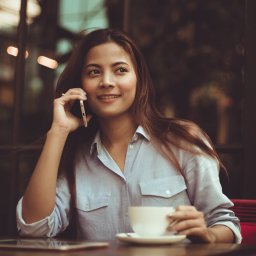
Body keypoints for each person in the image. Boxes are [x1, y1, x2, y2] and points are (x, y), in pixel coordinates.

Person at [16, 28, 241, 243]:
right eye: (94, 72)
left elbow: (225, 223)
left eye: (120, 70)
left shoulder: (182, 141)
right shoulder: (77, 158)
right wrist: (58, 132)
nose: (106, 82)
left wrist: (209, 235)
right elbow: (33, 227)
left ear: (138, 79)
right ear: (81, 85)